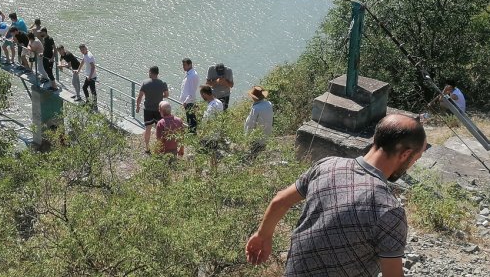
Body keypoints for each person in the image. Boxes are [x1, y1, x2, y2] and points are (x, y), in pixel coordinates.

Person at [245, 114, 427, 277]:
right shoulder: (389, 209)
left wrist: (262, 235)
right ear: (406, 154)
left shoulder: (327, 165)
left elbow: (280, 201)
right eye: (415, 159)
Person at [136, 66, 169, 154]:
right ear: (158, 73)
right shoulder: (162, 83)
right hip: (159, 110)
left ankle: (147, 148)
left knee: (148, 129)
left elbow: (140, 96)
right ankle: (159, 149)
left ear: (150, 72)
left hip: (148, 110)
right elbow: (167, 95)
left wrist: (138, 106)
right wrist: (160, 96)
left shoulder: (145, 83)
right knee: (160, 129)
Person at [179, 58, 200, 134]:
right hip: (187, 101)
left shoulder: (192, 76)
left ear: (190, 65)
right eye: (183, 65)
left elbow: (192, 91)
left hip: (189, 101)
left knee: (191, 118)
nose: (183, 67)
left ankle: (192, 133)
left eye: (185, 65)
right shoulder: (189, 74)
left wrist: (185, 101)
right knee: (189, 118)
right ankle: (191, 133)